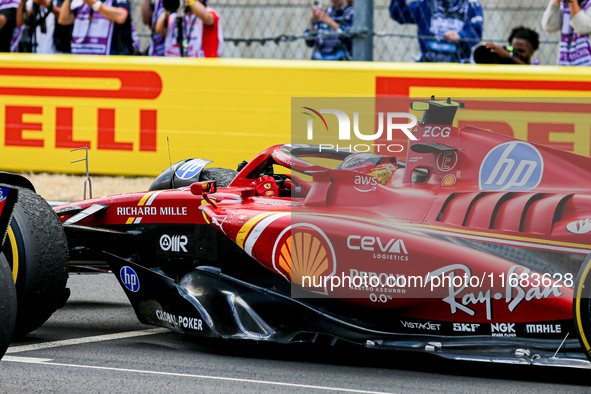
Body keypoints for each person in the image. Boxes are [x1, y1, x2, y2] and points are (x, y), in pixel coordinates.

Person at [389, 0, 483, 63]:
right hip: (428, 65)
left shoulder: (472, 5)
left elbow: (476, 31)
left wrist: (460, 36)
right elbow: (399, 14)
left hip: (458, 66)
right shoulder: (426, 3)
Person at [57, 0, 134, 55]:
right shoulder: (79, 2)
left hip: (108, 58)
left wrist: (95, 4)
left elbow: (121, 16)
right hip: (81, 58)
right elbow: (63, 20)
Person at [154, 0, 222, 58]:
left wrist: (190, 2)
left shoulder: (211, 13)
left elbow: (207, 17)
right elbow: (158, 30)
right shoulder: (174, 17)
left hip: (203, 67)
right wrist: (169, 8)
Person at [542, 0, 591, 66]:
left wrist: (572, 2)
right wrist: (555, 2)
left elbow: (582, 27)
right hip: (566, 67)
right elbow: (549, 26)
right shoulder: (565, 5)